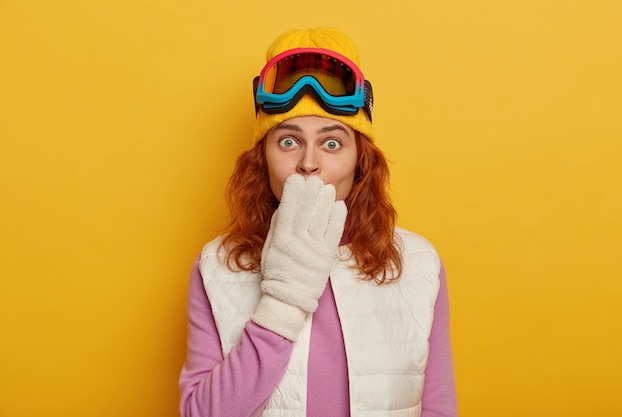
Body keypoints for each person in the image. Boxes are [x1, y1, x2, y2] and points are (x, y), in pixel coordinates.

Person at [179, 27, 458, 417]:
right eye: (288, 141)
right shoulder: (217, 267)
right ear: (263, 160)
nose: (309, 163)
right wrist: (283, 301)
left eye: (332, 143)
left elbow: (438, 408)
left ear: (361, 159)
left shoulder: (418, 264)